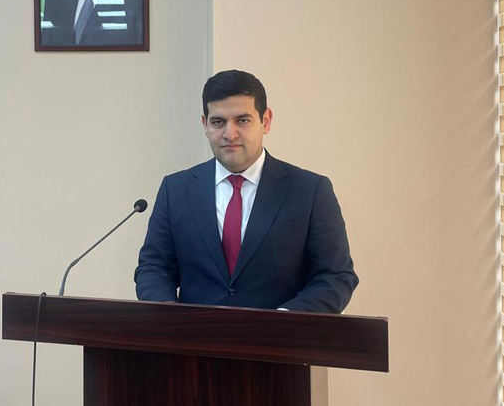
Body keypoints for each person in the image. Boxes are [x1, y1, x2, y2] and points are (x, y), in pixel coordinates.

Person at [134, 70, 358, 313]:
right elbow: (154, 267)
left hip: (281, 335)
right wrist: (166, 313)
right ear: (205, 125)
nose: (229, 134)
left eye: (242, 120)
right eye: (218, 122)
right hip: (193, 336)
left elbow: (335, 276)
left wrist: (285, 321)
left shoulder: (310, 190)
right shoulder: (176, 190)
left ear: (266, 121)